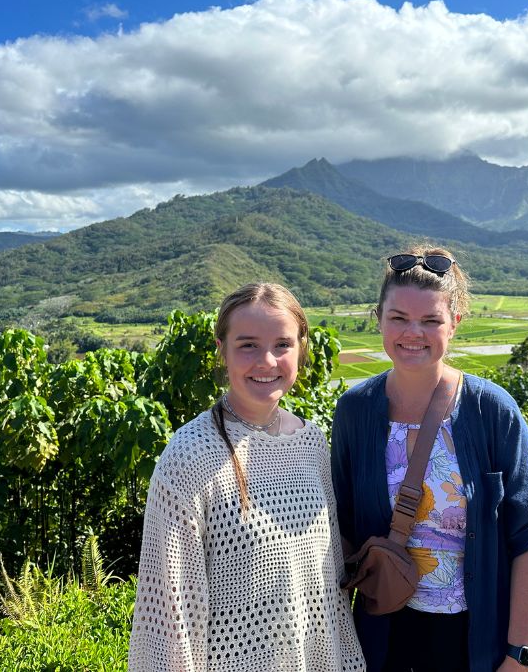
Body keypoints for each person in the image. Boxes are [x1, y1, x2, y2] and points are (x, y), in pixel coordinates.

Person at [331, 247, 528, 672]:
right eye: (398, 317)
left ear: (454, 323)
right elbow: (339, 530)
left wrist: (520, 655)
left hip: (476, 642)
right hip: (381, 639)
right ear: (378, 317)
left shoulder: (491, 410)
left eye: (430, 320)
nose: (412, 332)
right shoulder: (355, 411)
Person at [129, 283, 365, 672]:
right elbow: (171, 606)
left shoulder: (312, 443)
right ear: (222, 349)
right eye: (248, 345)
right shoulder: (190, 455)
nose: (267, 361)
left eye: (282, 345)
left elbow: (327, 588)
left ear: (300, 348)